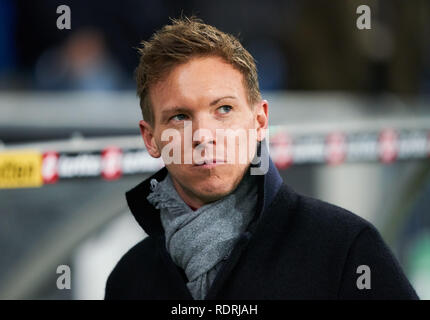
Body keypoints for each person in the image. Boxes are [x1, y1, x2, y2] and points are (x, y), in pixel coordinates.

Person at [105, 17, 419, 300]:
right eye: (180, 116)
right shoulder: (130, 279)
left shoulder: (345, 248)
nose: (203, 135)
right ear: (151, 138)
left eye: (224, 109)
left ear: (259, 121)